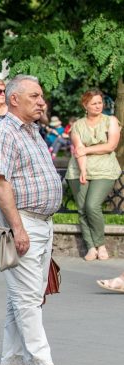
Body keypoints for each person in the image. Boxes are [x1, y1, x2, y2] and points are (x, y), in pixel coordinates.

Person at [0, 75, 67, 365]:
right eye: (34, 96)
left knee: (24, 294)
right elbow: (0, 183)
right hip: (24, 220)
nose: (41, 102)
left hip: (42, 221)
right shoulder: (3, 133)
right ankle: (40, 362)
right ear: (14, 99)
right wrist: (18, 228)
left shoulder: (32, 131)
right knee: (28, 296)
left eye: (41, 96)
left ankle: (13, 357)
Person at [65, 89, 121, 261]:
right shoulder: (77, 126)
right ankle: (91, 247)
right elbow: (78, 151)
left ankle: (101, 244)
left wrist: (87, 149)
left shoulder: (110, 121)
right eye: (94, 103)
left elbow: (110, 146)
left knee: (92, 205)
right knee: (82, 209)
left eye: (100, 102)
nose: (98, 106)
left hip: (104, 169)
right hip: (78, 170)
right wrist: (83, 171)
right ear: (85, 105)